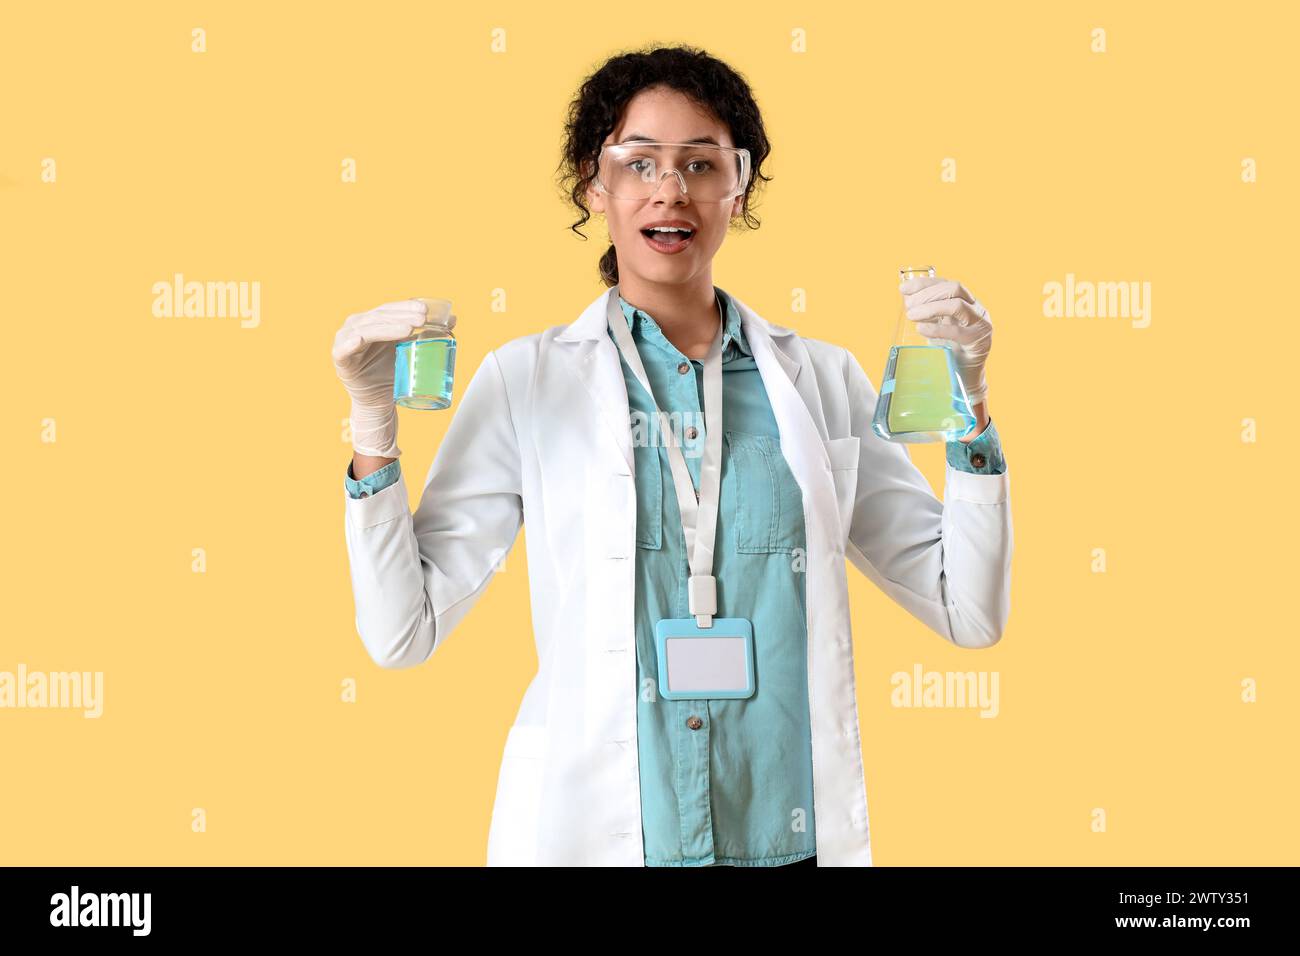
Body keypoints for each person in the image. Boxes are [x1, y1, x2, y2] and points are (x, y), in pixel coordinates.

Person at [331, 44, 1012, 867]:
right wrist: (373, 425)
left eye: (700, 163)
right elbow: (403, 632)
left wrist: (969, 404)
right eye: (639, 162)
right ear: (595, 182)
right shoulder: (526, 380)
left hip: (786, 842)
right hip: (607, 840)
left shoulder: (823, 380)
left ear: (740, 183)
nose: (671, 190)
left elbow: (967, 610)